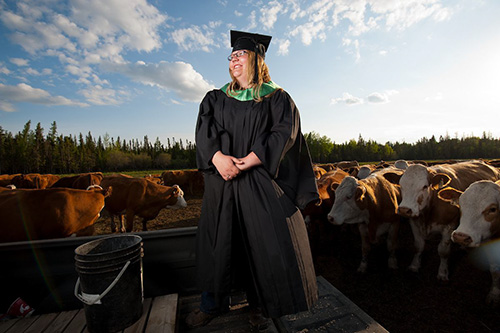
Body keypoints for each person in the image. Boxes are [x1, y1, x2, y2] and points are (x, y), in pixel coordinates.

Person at [186, 30, 320, 329]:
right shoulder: (215, 98)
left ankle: (258, 307)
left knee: (260, 245)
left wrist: (251, 159)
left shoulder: (277, 98)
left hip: (258, 183)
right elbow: (203, 133)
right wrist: (219, 159)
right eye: (231, 56)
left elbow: (285, 132)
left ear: (257, 59)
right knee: (217, 244)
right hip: (222, 185)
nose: (233, 59)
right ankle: (212, 304)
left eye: (240, 55)